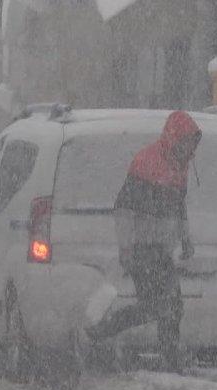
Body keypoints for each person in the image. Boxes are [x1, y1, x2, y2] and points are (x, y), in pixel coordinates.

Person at [86, 110, 201, 370]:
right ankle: (102, 330)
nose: (189, 148)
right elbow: (124, 209)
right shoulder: (146, 163)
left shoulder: (180, 167)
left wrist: (185, 239)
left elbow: (179, 208)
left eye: (191, 143)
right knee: (155, 306)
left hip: (162, 249)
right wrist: (126, 247)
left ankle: (169, 353)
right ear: (174, 138)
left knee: (172, 305)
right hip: (141, 248)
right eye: (185, 141)